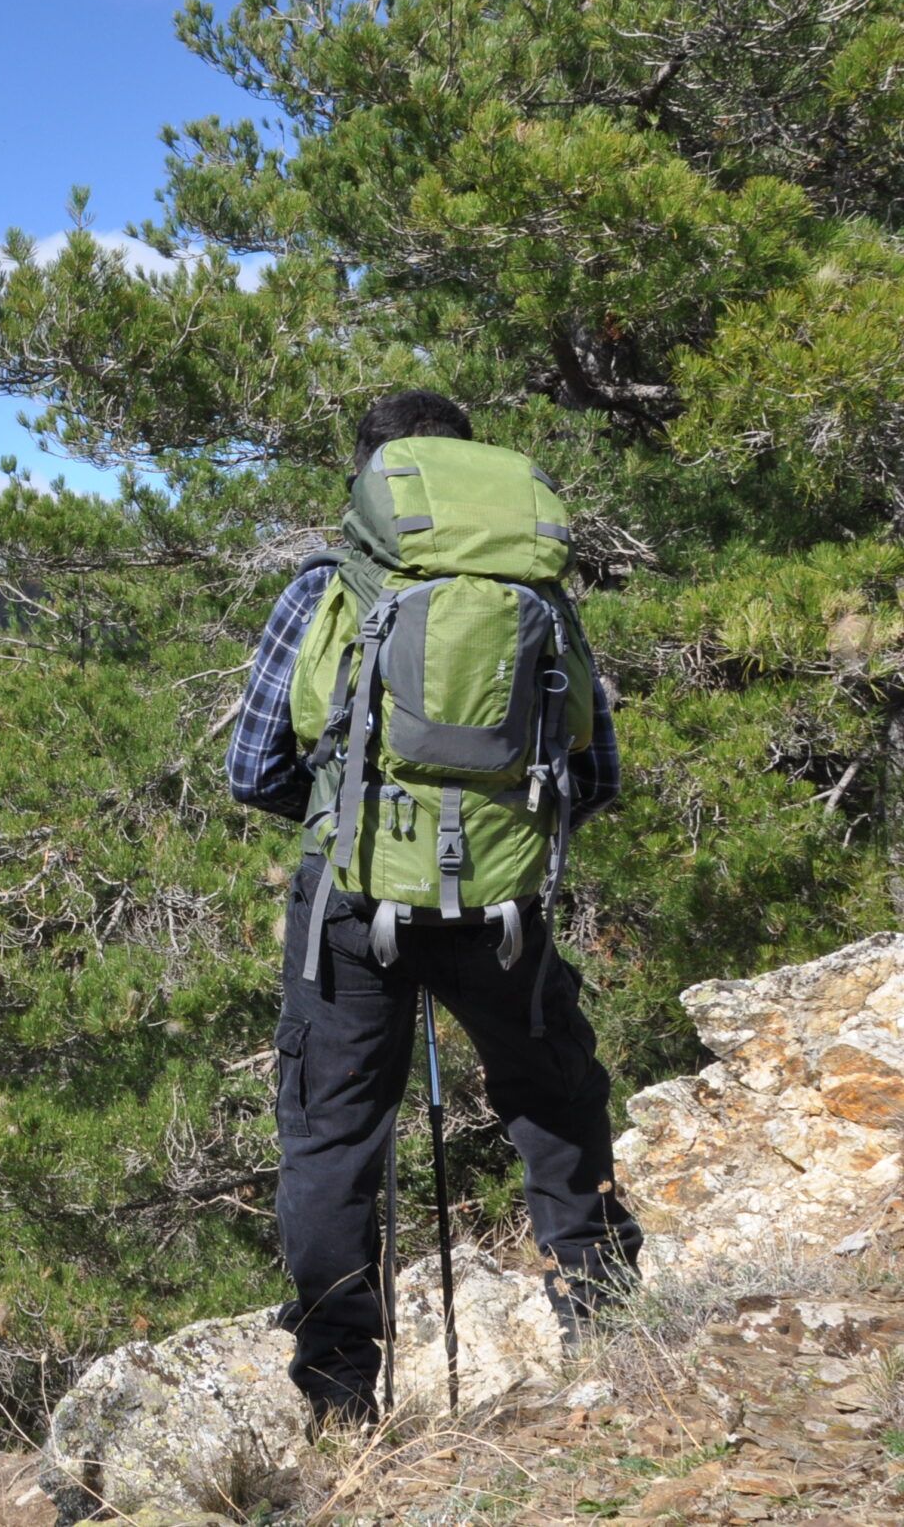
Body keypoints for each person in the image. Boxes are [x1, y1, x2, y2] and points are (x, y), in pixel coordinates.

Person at [226, 389, 642, 1428]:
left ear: (366, 478)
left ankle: (335, 1402)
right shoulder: (538, 595)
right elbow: (592, 775)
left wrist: (358, 823)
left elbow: (251, 767)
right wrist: (491, 833)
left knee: (331, 1140)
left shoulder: (323, 586)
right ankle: (606, 1322)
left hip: (348, 905)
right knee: (552, 1094)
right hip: (503, 906)